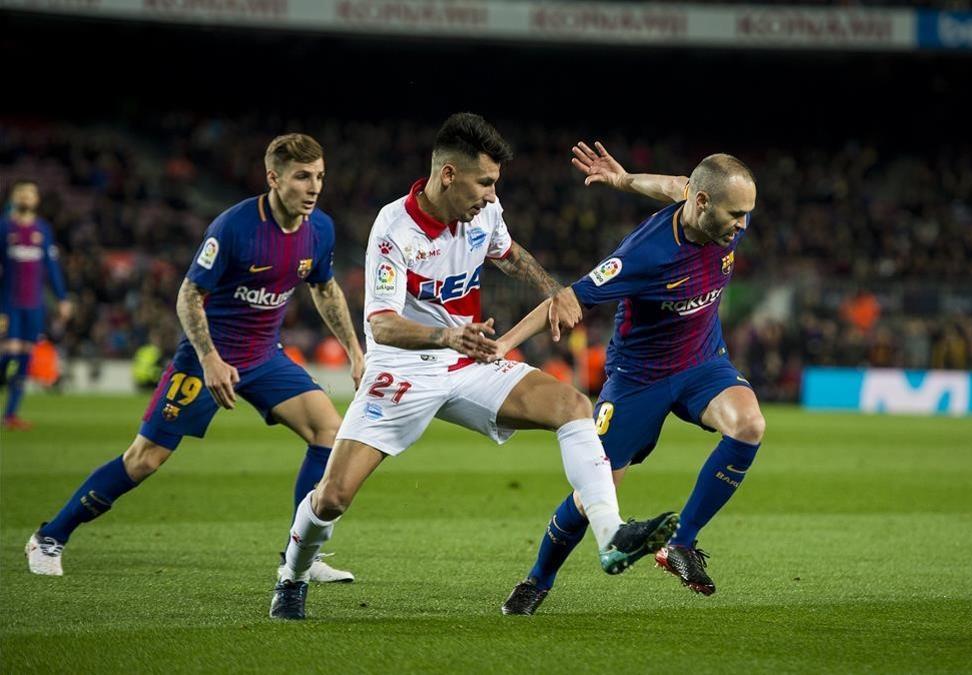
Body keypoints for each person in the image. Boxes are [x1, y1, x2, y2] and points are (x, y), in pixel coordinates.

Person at [271, 114, 677, 620]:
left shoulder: (485, 212)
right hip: (403, 368)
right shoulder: (393, 228)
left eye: (494, 185)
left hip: (468, 360)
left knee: (573, 405)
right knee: (332, 496)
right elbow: (383, 324)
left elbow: (508, 253)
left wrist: (553, 290)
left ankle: (611, 533)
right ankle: (292, 575)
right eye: (484, 182)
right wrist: (446, 334)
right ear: (448, 176)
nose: (490, 195)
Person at [26, 134, 365, 585]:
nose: (314, 186)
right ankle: (50, 536)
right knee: (144, 459)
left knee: (329, 432)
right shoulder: (234, 227)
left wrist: (355, 352)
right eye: (303, 176)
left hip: (265, 357)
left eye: (319, 176)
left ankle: (299, 555)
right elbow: (189, 295)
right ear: (273, 178)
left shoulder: (319, 228)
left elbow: (324, 288)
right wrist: (209, 359)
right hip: (206, 360)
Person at [498, 143, 765, 614]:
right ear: (702, 205)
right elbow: (567, 299)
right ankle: (537, 580)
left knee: (749, 425)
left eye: (748, 214)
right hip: (639, 378)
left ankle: (680, 545)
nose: (743, 225)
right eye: (736, 214)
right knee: (594, 491)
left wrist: (623, 180)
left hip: (703, 362)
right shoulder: (644, 255)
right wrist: (502, 346)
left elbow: (672, 185)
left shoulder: (712, 214)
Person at [0, 180, 72, 429]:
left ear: (36, 199)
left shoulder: (43, 229)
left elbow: (51, 267)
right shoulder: (4, 228)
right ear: (14, 197)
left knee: (23, 358)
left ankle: (10, 415)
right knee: (7, 353)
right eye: (22, 192)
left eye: (30, 193)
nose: (26, 197)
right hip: (8, 303)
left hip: (34, 304)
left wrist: (62, 298)